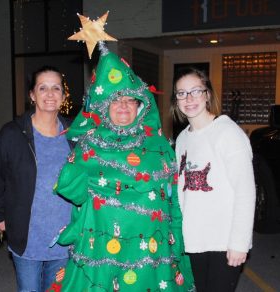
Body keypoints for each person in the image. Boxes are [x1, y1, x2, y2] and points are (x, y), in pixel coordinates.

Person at [48, 42, 195, 291]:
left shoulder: (159, 146)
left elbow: (173, 201)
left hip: (151, 252)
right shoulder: (90, 145)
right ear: (105, 107)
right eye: (116, 101)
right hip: (103, 254)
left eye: (130, 100)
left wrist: (178, 238)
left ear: (140, 106)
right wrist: (77, 161)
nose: (124, 106)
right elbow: (72, 191)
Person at [0, 66, 73, 292]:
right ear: (32, 95)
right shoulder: (12, 134)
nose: (50, 94)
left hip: (65, 236)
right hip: (27, 235)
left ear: (63, 96)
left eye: (56, 88)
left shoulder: (74, 135)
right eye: (43, 88)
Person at [171, 67, 256, 292]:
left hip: (222, 240)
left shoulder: (228, 133)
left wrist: (239, 243)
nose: (188, 99)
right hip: (193, 239)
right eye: (181, 93)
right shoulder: (182, 139)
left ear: (207, 94)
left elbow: (246, 192)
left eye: (195, 91)